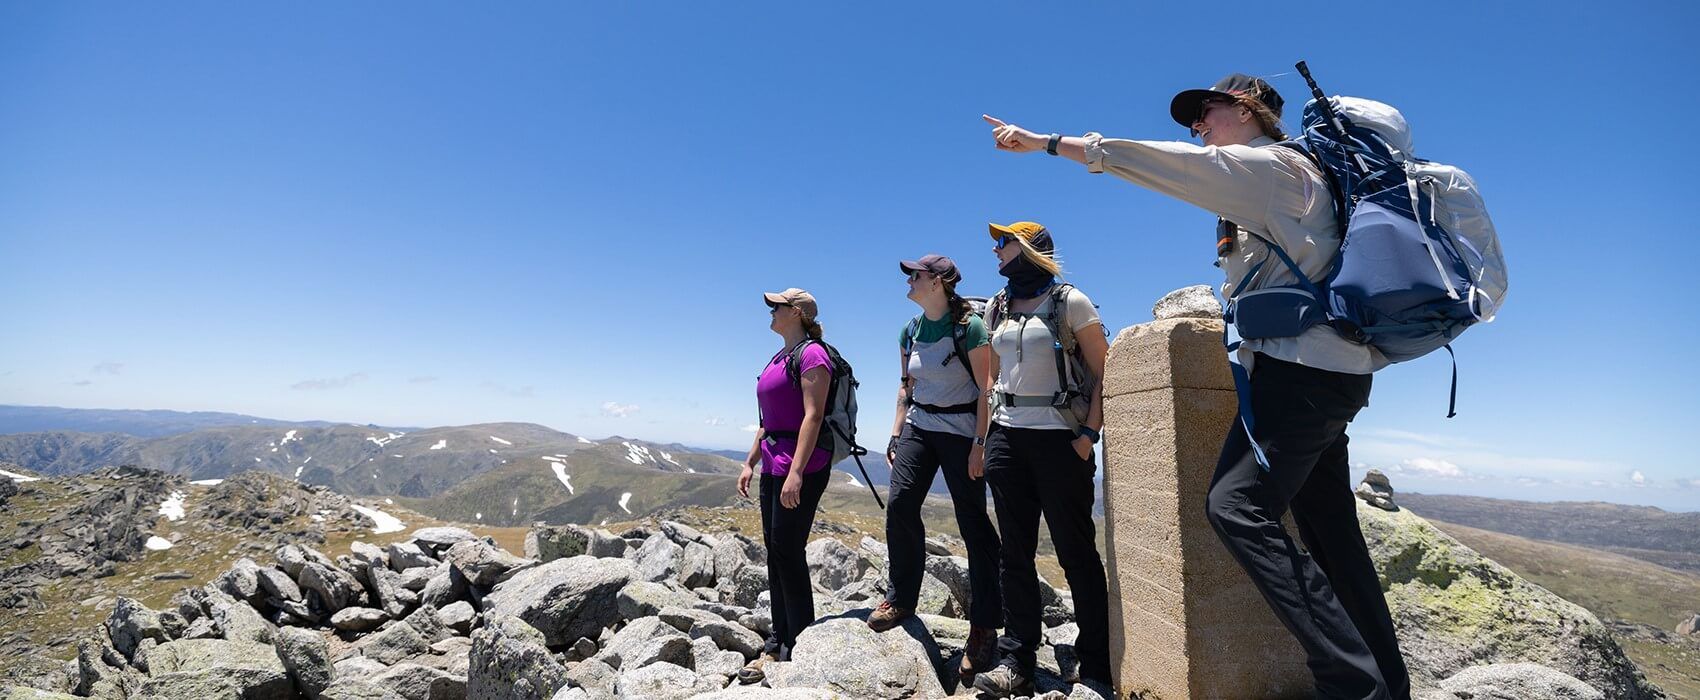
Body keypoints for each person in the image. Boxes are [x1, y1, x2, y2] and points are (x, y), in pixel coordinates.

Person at [983, 74, 1411, 700]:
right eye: (1193, 123)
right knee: (1328, 529)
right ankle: (1387, 684)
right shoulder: (1290, 179)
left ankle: (1352, 683)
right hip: (1325, 372)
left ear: (1247, 109)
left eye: (1205, 114)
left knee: (1236, 508)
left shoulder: (1271, 170)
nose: (1198, 129)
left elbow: (1162, 164)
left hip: (1301, 374)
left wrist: (1047, 143)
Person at [971, 222, 1112, 697]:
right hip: (1009, 441)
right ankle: (1017, 659)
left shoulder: (1070, 301)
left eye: (1004, 243)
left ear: (1029, 250)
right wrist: (987, 439)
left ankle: (1096, 661)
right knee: (1014, 553)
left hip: (1060, 443)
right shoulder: (997, 306)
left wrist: (1088, 435)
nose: (996, 250)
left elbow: (1104, 372)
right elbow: (992, 378)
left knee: (1076, 553)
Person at [868, 253, 1002, 683]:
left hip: (963, 431)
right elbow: (906, 387)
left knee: (973, 523)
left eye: (916, 275)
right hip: (919, 426)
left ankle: (983, 627)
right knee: (901, 505)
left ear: (939, 282)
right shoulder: (909, 330)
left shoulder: (969, 327)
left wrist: (979, 445)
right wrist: (895, 434)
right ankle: (901, 597)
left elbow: (986, 390)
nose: (908, 280)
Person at [736, 287, 835, 684]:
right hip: (774, 463)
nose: (770, 311)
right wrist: (749, 462)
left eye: (776, 306)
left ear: (795, 312)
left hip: (802, 467)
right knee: (775, 553)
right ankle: (779, 639)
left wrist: (796, 471)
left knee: (788, 551)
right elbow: (769, 419)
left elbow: (812, 417)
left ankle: (800, 641)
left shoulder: (814, 354)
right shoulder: (781, 356)